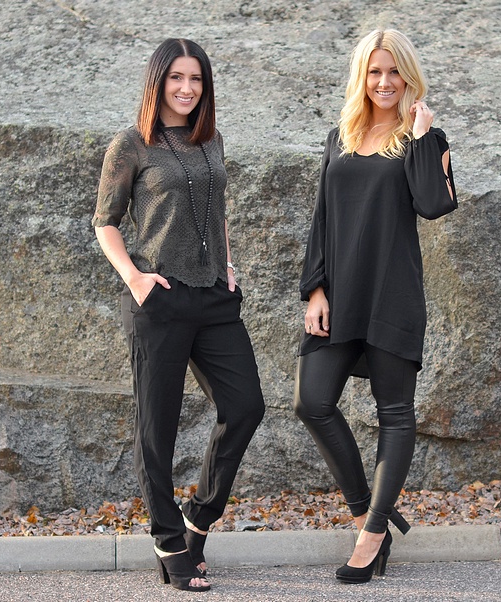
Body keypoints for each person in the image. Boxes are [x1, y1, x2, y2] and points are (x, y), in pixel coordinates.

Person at [92, 38, 265, 593]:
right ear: (158, 81)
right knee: (157, 429)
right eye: (176, 78)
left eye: (196, 79)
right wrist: (135, 278)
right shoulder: (131, 144)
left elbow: (218, 209)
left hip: (214, 297)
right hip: (159, 298)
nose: (187, 88)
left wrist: (228, 263)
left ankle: (198, 520)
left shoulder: (211, 139)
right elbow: (105, 221)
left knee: (245, 407)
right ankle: (168, 542)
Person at [294, 28, 458, 584]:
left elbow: (434, 205)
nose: (384, 82)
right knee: (311, 401)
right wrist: (315, 290)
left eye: (394, 72)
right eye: (375, 71)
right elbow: (321, 217)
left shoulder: (423, 139)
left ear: (408, 77)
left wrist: (423, 137)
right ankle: (370, 513)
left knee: (395, 413)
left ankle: (369, 538)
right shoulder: (339, 136)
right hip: (339, 294)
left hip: (392, 293)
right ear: (361, 76)